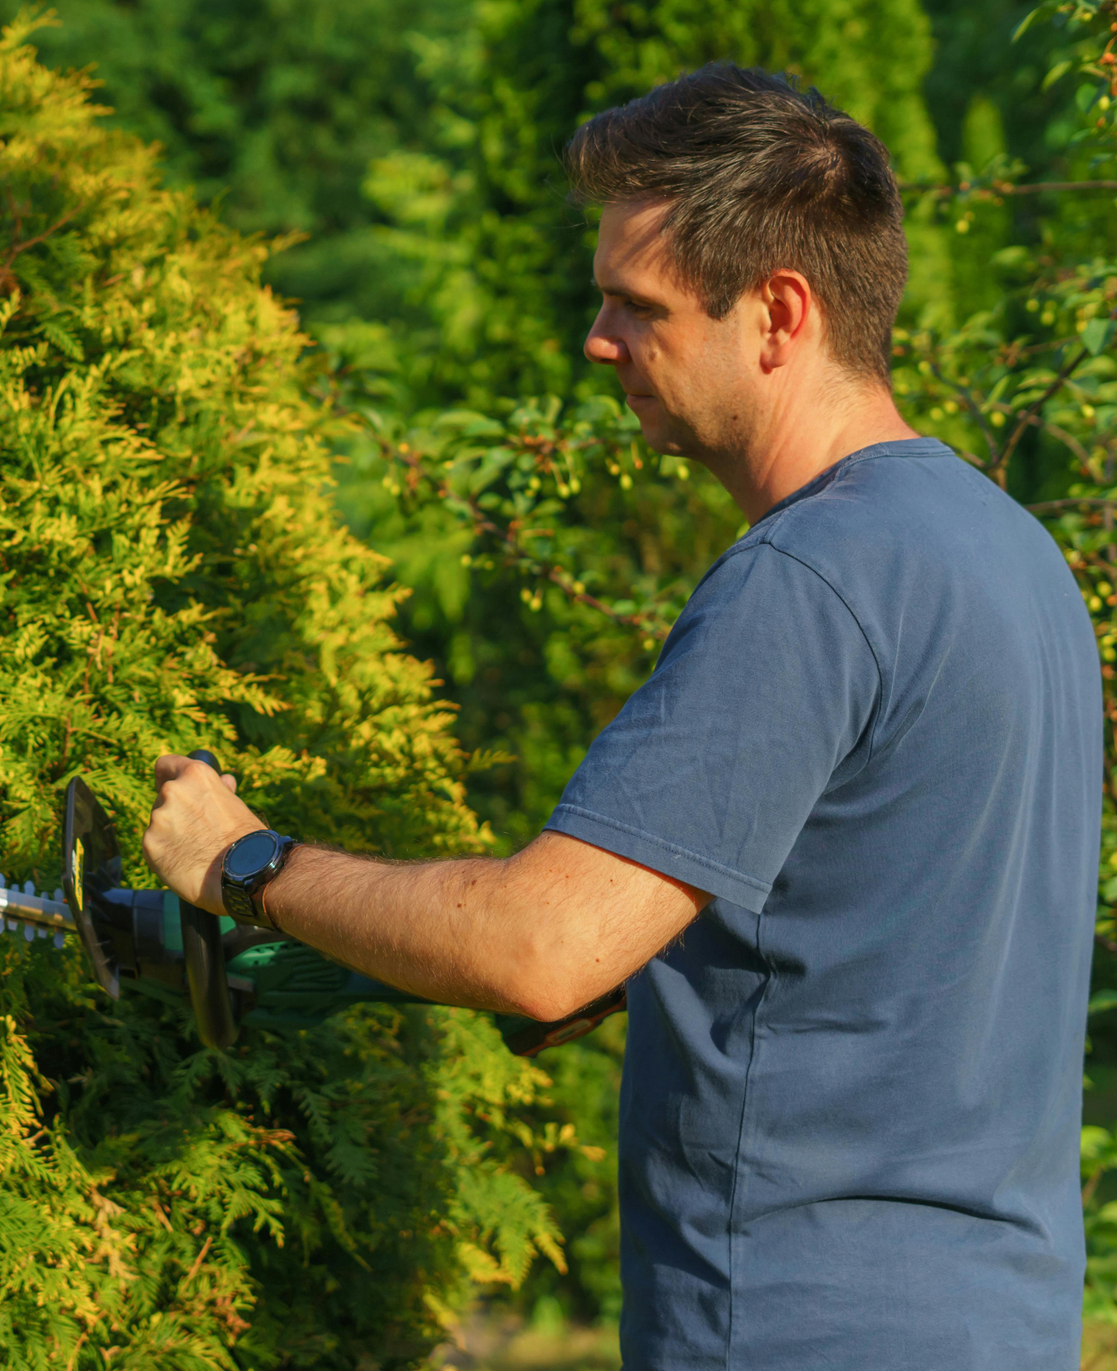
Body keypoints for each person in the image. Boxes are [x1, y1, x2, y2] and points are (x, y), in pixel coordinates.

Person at [142, 64, 1102, 1370]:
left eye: (636, 305)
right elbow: (878, 932)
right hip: (997, 1321)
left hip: (790, 1326)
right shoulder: (1005, 553)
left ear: (778, 313)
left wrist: (250, 865)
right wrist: (360, 947)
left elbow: (546, 947)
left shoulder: (808, 582)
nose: (598, 339)